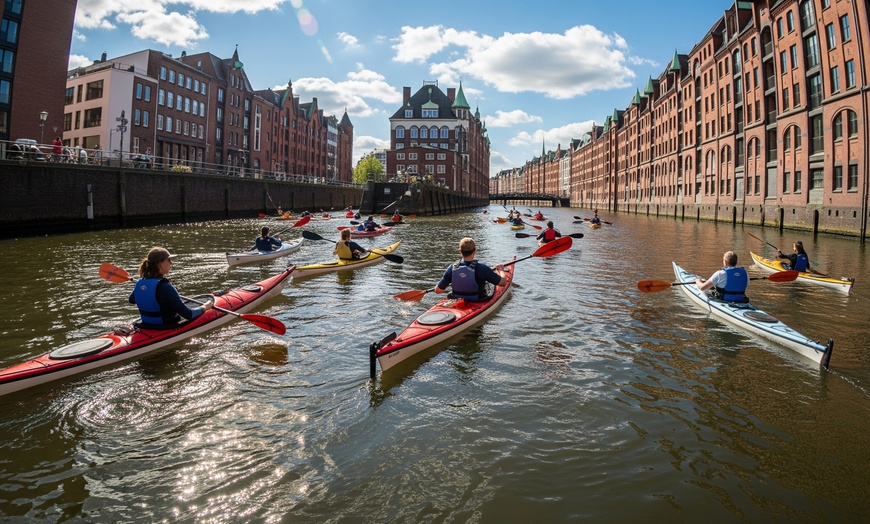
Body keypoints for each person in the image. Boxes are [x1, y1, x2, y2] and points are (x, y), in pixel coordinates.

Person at [128, 247, 213, 328]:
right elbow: (188, 315)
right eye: (168, 260)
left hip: (146, 325)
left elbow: (132, 300)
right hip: (165, 326)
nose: (171, 263)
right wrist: (205, 307)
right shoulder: (166, 287)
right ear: (159, 263)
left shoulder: (140, 283)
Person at [435, 237, 509, 302]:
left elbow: (438, 291)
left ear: (460, 251)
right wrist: (500, 270)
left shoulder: (451, 268)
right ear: (474, 250)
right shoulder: (482, 268)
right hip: (478, 301)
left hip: (457, 301)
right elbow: (503, 283)